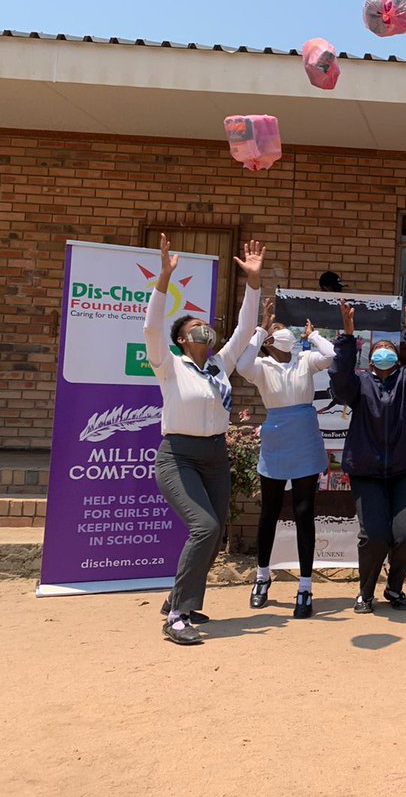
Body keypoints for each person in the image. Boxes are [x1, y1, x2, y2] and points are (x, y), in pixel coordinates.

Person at [146, 233, 264, 645]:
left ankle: (179, 599)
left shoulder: (219, 366)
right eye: (195, 327)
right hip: (178, 456)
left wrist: (253, 281)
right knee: (204, 526)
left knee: (213, 533)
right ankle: (176, 616)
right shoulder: (169, 364)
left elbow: (246, 327)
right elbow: (152, 326)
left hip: (215, 455)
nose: (204, 330)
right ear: (181, 339)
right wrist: (164, 278)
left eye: (205, 326)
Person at [331, 298, 406, 614]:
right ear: (370, 358)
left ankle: (394, 586)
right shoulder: (359, 384)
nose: (384, 352)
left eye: (390, 348)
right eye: (379, 349)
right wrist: (347, 335)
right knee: (374, 536)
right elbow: (339, 378)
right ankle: (365, 592)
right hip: (367, 471)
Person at [236, 301, 334, 619]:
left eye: (282, 329)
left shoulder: (305, 359)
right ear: (268, 341)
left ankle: (305, 587)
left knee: (304, 512)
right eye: (278, 331)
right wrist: (261, 328)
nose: (284, 333)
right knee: (270, 512)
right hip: (277, 440)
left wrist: (312, 335)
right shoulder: (261, 366)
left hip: (305, 438)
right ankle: (262, 577)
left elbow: (332, 354)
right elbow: (241, 364)